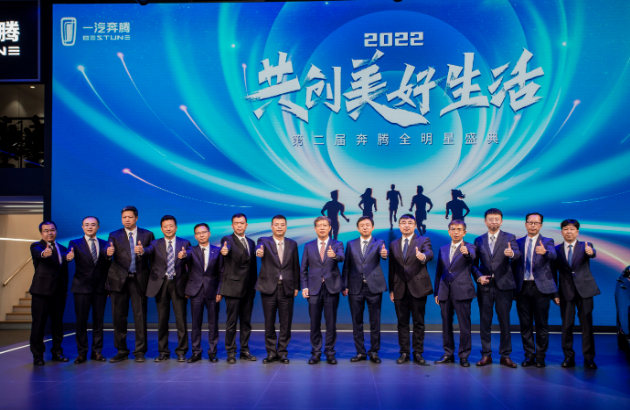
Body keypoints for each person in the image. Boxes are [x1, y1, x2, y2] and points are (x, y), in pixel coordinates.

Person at [106, 206, 155, 363]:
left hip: (139, 279)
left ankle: (140, 351)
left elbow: (152, 254)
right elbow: (108, 253)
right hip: (119, 281)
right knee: (119, 316)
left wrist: (143, 251)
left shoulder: (147, 234)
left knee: (140, 317)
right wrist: (107, 254)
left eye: (130, 217)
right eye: (124, 217)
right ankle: (121, 350)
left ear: (136, 218)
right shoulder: (114, 235)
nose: (127, 220)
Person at [471, 209, 520, 368]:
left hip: (504, 286)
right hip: (485, 286)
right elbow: (473, 264)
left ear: (501, 221)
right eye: (490, 219)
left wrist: (512, 254)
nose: (493, 222)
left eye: (496, 219)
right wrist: (479, 277)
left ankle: (505, 355)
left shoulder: (509, 237)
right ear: (485, 221)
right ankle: (486, 355)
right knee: (485, 321)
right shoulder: (479, 240)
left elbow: (517, 255)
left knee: (504, 321)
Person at [141, 215, 191, 363]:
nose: (168, 228)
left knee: (181, 320)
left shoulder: (184, 242)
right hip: (161, 285)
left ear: (176, 227)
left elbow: (190, 259)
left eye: (171, 226)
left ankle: (181, 351)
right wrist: (141, 251)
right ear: (161, 229)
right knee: (162, 320)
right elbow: (147, 251)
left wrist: (185, 256)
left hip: (178, 284)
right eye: (165, 226)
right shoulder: (155, 243)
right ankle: (163, 351)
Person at [513, 212, 559, 368]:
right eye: (530, 222)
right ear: (525, 224)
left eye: (536, 223)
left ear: (541, 225)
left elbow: (553, 255)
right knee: (525, 324)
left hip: (541, 289)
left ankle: (540, 356)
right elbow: (514, 265)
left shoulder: (547, 241)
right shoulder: (518, 242)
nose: (533, 225)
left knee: (541, 324)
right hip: (522, 288)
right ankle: (529, 355)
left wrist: (545, 252)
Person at [553, 219, 600, 369]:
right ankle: (568, 357)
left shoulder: (586, 246)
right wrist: (555, 293)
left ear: (577, 232)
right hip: (565, 292)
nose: (569, 232)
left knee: (587, 326)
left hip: (585, 291)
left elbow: (592, 253)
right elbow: (553, 273)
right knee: (567, 326)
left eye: (572, 229)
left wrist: (591, 252)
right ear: (562, 232)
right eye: (566, 229)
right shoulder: (556, 250)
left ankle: (589, 358)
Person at [388, 214, 434, 365]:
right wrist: (392, 289)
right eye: (403, 223)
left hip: (418, 287)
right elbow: (392, 268)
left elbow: (429, 253)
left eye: (409, 223)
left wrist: (423, 256)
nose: (406, 225)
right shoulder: (394, 244)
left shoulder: (423, 240)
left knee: (418, 321)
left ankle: (418, 352)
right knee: (402, 322)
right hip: (399, 288)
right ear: (399, 226)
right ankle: (404, 352)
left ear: (414, 225)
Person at [342, 216, 388, 363]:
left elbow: (383, 254)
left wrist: (384, 254)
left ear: (372, 227)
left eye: (368, 225)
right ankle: (360, 352)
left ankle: (374, 351)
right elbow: (347, 265)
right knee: (357, 321)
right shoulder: (351, 244)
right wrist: (345, 285)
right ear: (358, 228)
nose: (365, 227)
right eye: (362, 225)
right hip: (355, 287)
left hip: (374, 287)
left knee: (375, 321)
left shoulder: (379, 242)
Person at [255, 215, 300, 364]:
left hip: (287, 288)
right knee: (269, 322)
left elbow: (295, 266)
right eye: (276, 224)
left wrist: (296, 286)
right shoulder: (264, 241)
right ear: (272, 227)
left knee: (285, 322)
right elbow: (258, 248)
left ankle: (282, 352)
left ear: (286, 227)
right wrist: (258, 252)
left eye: (282, 224)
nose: (279, 227)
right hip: (269, 287)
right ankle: (271, 352)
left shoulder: (292, 244)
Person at [300, 216, 345, 364]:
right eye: (319, 225)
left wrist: (335, 256)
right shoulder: (308, 246)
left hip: (331, 288)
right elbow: (303, 269)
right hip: (314, 288)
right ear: (315, 228)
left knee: (331, 323)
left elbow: (342, 257)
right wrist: (304, 286)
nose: (322, 228)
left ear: (330, 228)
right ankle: (316, 352)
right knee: (315, 322)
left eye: (325, 225)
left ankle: (330, 352)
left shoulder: (337, 244)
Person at [434, 219, 477, 367]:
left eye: (459, 229)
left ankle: (464, 355)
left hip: (462, 291)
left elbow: (472, 256)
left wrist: (466, 254)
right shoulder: (443, 249)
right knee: (446, 324)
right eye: (453, 229)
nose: (456, 232)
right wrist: (437, 292)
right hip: (445, 291)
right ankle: (448, 353)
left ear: (464, 232)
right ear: (449, 232)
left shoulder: (470, 247)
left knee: (464, 325)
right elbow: (439, 271)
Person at [68, 216, 111, 364]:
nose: (90, 227)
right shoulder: (75, 243)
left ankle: (97, 352)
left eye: (93, 225)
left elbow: (108, 266)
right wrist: (68, 257)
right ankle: (82, 353)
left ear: (98, 227)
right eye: (86, 225)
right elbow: (68, 254)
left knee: (98, 322)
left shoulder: (105, 244)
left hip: (100, 289)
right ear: (82, 227)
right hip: (81, 288)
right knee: (81, 322)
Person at [29, 221, 72, 365]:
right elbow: (38, 253)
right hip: (41, 292)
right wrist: (43, 253)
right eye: (46, 230)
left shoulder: (62, 249)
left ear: (56, 231)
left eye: (52, 230)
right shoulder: (37, 246)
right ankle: (38, 355)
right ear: (41, 233)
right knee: (39, 325)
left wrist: (65, 290)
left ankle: (57, 352)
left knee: (57, 325)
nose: (50, 233)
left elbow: (64, 273)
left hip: (58, 293)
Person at [219, 213, 258, 364]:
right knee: (232, 322)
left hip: (249, 289)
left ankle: (244, 350)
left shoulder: (251, 242)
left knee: (246, 322)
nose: (239, 225)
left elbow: (252, 266)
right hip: (233, 288)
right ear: (232, 225)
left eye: (242, 223)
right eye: (236, 223)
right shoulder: (227, 240)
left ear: (246, 225)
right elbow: (226, 249)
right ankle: (230, 352)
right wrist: (225, 251)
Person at [185, 223, 223, 363]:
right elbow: (185, 260)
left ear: (209, 233)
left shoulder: (217, 251)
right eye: (198, 233)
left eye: (203, 232)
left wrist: (220, 291)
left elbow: (221, 272)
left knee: (213, 323)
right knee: (196, 323)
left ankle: (212, 352)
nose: (201, 235)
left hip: (213, 291)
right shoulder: (191, 250)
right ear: (195, 236)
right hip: (196, 291)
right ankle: (196, 352)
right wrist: (182, 256)